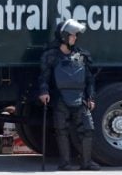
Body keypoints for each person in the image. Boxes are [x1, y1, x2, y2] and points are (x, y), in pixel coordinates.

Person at [38, 19, 100, 171]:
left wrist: (91, 97)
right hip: (60, 98)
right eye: (72, 35)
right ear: (64, 36)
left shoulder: (82, 55)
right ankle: (65, 163)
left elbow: (89, 79)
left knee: (88, 129)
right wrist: (44, 92)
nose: (75, 38)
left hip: (80, 98)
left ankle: (86, 162)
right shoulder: (51, 56)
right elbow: (44, 78)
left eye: (75, 35)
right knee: (62, 130)